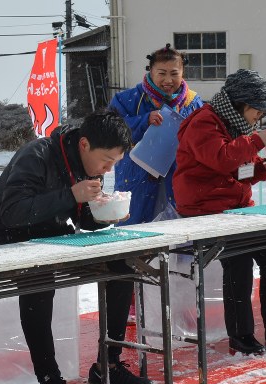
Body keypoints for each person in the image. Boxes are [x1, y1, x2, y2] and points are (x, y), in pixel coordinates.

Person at [0, 110, 152, 384]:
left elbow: (82, 217)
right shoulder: (37, 154)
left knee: (122, 265)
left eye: (114, 162)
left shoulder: (90, 164)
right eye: (106, 161)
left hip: (53, 234)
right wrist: (71, 194)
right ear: (84, 144)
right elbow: (12, 212)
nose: (108, 169)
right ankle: (49, 378)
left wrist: (106, 214)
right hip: (8, 236)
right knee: (39, 280)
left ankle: (108, 365)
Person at [173, 69, 266, 356]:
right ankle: (241, 335)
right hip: (204, 210)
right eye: (257, 110)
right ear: (241, 103)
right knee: (239, 259)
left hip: (235, 210)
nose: (259, 117)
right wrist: (257, 141)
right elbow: (221, 159)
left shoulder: (237, 125)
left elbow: (242, 172)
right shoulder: (203, 122)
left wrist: (265, 167)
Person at [108, 44, 204, 323]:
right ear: (150, 71)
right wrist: (142, 121)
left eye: (174, 73)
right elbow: (111, 132)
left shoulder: (194, 103)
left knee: (180, 242)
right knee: (134, 240)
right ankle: (130, 303)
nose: (167, 80)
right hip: (137, 181)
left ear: (183, 73)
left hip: (178, 182)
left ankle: (178, 300)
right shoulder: (127, 100)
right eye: (161, 73)